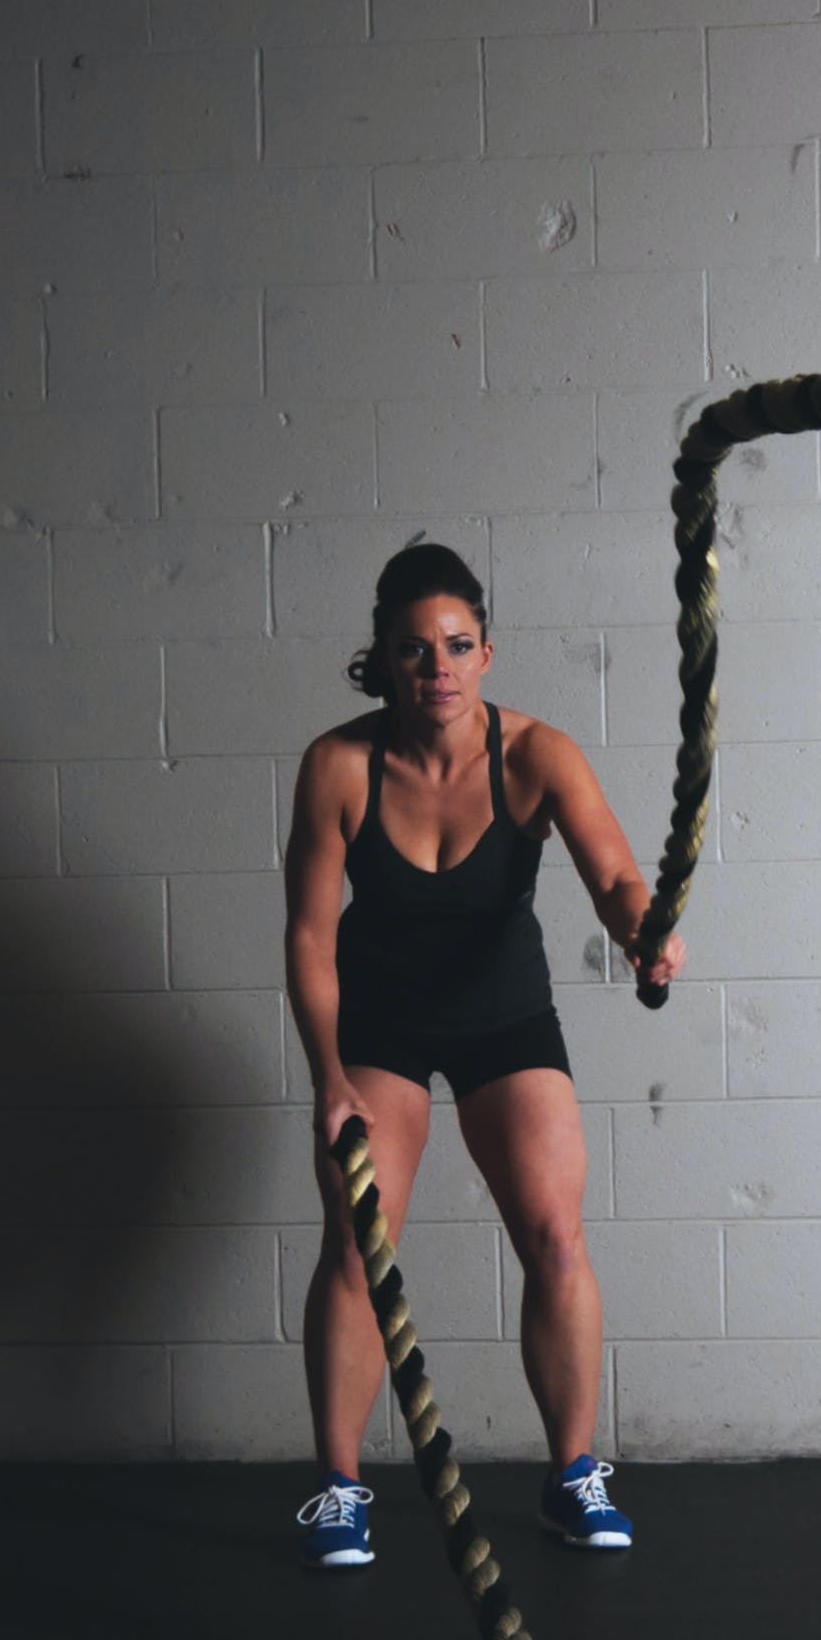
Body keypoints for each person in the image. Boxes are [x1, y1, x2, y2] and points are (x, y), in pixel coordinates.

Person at [282, 541, 686, 1568]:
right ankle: (337, 1488)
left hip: (505, 1018)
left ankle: (573, 1474)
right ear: (384, 657)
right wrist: (328, 1078)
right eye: (416, 649)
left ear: (488, 654)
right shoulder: (338, 765)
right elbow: (310, 936)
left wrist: (645, 929)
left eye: (458, 645)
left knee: (557, 1234)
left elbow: (615, 877)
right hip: (380, 1026)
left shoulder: (537, 755)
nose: (439, 668)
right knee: (356, 1246)